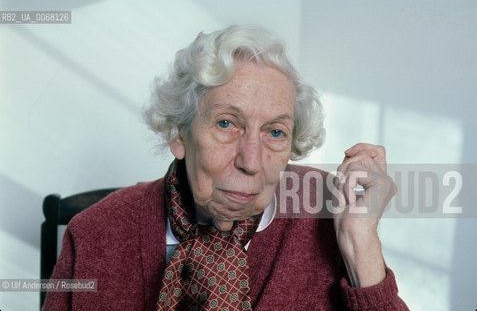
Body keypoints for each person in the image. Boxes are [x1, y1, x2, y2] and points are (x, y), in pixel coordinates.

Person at [42, 25, 409, 310]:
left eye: (275, 132)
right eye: (226, 124)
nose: (251, 162)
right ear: (179, 134)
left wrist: (362, 250)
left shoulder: (330, 210)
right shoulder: (95, 234)